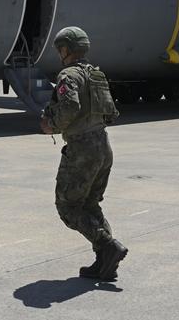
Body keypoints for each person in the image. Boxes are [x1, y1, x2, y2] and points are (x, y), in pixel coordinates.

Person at [41, 27, 127, 281]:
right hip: (102, 144)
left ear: (66, 49)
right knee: (90, 204)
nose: (59, 54)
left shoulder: (68, 75)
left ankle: (108, 245)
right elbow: (110, 111)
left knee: (67, 206)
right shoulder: (96, 73)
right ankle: (106, 262)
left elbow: (70, 105)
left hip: (81, 148)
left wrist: (51, 124)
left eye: (60, 49)